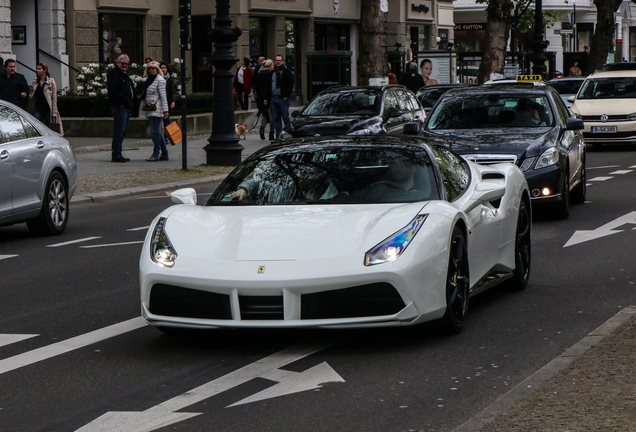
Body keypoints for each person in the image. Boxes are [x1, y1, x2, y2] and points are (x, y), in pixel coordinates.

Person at [107, 54, 136, 162]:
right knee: (119, 130)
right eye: (122, 63)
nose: (124, 65)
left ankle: (118, 152)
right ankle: (116, 154)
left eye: (126, 64)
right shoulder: (114, 74)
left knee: (123, 131)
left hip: (126, 106)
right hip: (120, 107)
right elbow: (112, 90)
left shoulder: (125, 75)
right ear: (118, 63)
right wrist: (120, 103)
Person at [140, 61, 169, 162]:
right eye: (150, 68)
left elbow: (163, 96)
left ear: (157, 69)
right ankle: (164, 152)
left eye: (153, 68)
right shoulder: (149, 80)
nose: (151, 70)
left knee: (156, 131)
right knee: (157, 131)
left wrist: (165, 110)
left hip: (157, 108)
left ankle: (156, 153)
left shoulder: (160, 80)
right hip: (150, 108)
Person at [27, 62, 61, 130]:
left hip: (48, 109)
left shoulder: (51, 82)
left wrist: (54, 111)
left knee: (49, 127)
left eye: (40, 69)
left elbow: (54, 97)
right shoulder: (35, 81)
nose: (37, 70)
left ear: (45, 70)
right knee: (36, 125)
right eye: (37, 69)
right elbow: (33, 94)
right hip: (38, 108)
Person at [270, 55, 294, 141]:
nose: (278, 62)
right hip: (273, 98)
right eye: (276, 60)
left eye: (279, 60)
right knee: (276, 118)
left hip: (282, 98)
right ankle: (278, 136)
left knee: (285, 117)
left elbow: (290, 85)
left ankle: (290, 133)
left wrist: (286, 96)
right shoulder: (272, 72)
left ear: (282, 61)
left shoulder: (286, 72)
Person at [254, 59, 275, 140]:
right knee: (272, 116)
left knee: (265, 115)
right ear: (269, 66)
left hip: (261, 98)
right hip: (268, 97)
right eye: (272, 65)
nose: (273, 67)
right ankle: (272, 133)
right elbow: (268, 87)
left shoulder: (259, 74)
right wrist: (266, 98)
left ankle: (262, 130)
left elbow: (257, 87)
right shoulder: (270, 74)